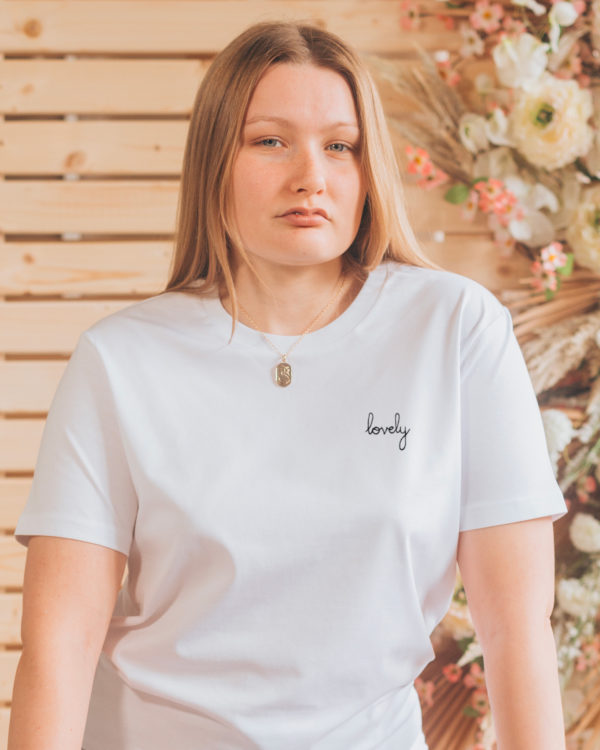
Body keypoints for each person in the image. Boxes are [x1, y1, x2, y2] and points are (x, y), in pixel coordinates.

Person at [9, 20, 568, 750]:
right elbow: (59, 647)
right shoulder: (119, 360)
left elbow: (516, 630)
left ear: (369, 171)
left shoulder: (456, 329)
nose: (312, 175)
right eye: (270, 140)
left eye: (341, 146)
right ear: (216, 158)